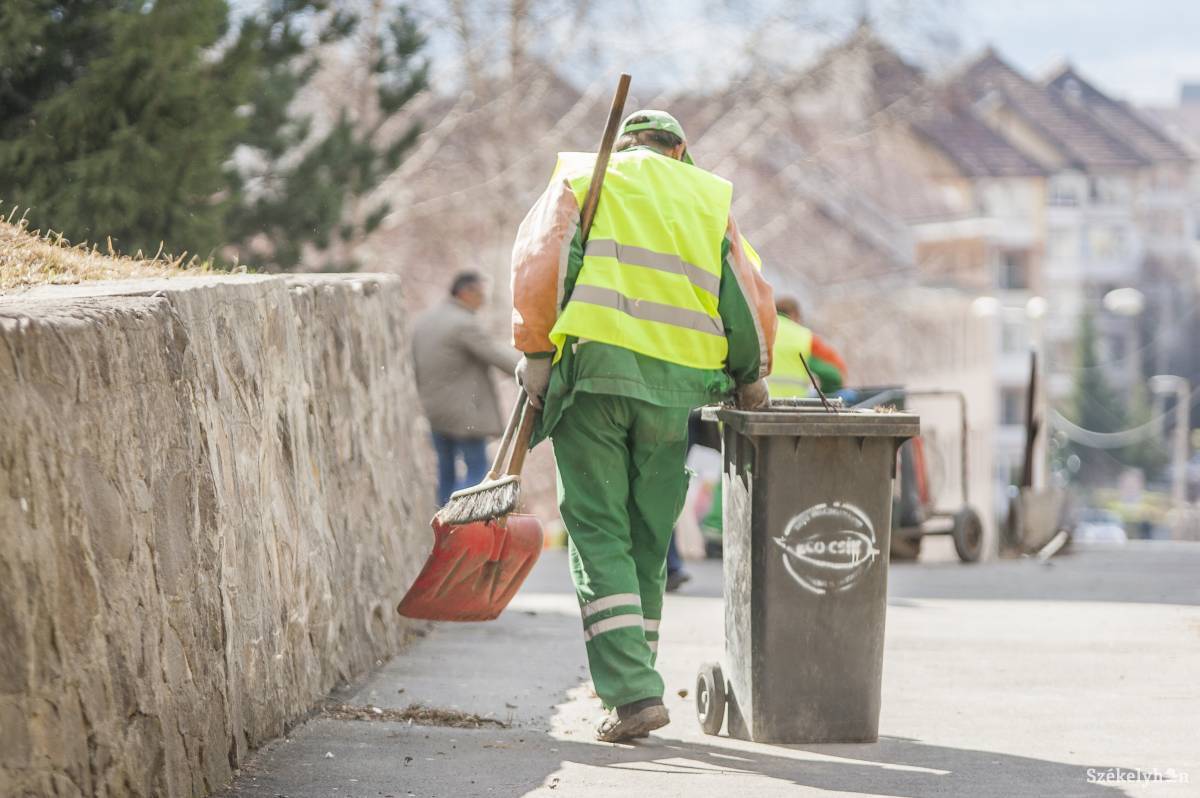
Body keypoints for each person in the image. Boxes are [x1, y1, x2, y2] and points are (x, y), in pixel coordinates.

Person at [509, 110, 777, 741]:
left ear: (628, 142)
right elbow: (742, 290)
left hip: (594, 380)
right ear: (680, 148)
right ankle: (641, 681)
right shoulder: (706, 194)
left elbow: (541, 260)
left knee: (599, 529)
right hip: (673, 391)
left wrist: (536, 351)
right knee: (647, 533)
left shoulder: (585, 175)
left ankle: (632, 695)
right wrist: (750, 371)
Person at [412, 271, 520, 506]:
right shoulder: (462, 323)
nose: (483, 300)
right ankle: (459, 521)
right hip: (464, 414)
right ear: (465, 292)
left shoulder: (424, 321)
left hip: (435, 412)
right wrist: (529, 369)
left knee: (446, 470)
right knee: (477, 471)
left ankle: (444, 529)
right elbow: (496, 354)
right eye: (480, 294)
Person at [769, 296, 847, 397]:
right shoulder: (804, 336)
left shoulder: (759, 331)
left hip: (757, 405)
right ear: (794, 315)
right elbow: (833, 375)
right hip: (794, 407)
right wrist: (826, 394)